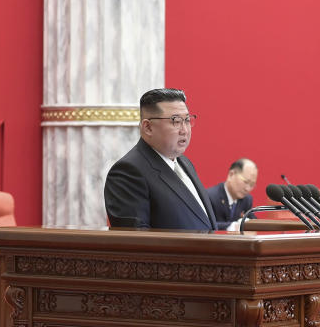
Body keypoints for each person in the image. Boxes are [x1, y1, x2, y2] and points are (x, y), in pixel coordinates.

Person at [104, 88, 216, 230]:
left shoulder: (184, 163)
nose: (185, 130)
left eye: (187, 120)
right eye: (176, 121)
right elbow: (136, 243)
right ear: (148, 127)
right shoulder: (128, 172)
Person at [206, 158, 257, 230]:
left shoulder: (247, 199)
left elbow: (252, 220)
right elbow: (205, 225)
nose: (247, 189)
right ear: (231, 174)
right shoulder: (210, 196)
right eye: (245, 182)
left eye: (252, 185)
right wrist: (232, 226)